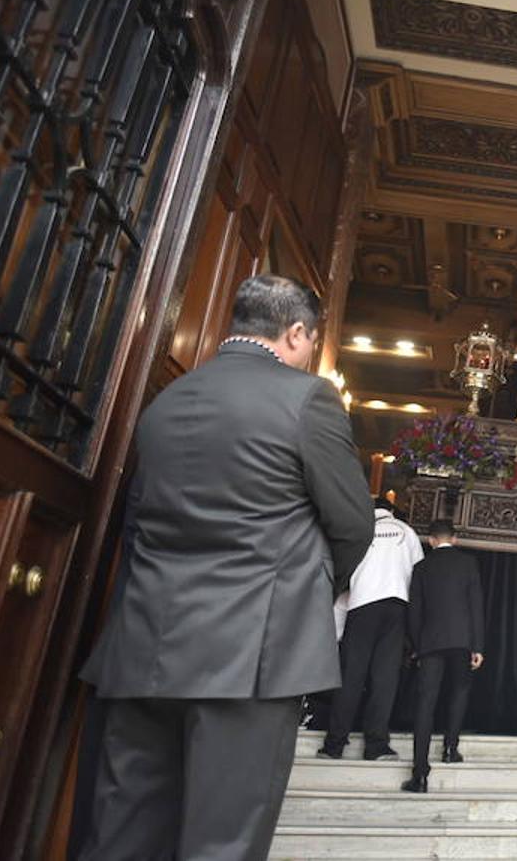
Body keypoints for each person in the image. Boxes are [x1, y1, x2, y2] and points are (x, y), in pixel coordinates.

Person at [77, 275, 374, 861]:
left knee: (122, 833)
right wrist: (314, 586)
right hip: (252, 655)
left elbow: (137, 518)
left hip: (145, 645)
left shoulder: (168, 400)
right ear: (296, 333)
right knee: (224, 840)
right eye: (311, 342)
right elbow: (352, 523)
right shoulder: (307, 399)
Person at [319, 496, 425, 760]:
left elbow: (342, 577)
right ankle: (375, 745)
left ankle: (334, 745)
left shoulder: (358, 532)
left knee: (350, 678)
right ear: (391, 511)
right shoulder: (407, 532)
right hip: (397, 606)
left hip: (361, 606)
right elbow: (418, 573)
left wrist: (336, 631)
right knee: (384, 680)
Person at [402, 520, 484, 794]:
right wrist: (478, 646)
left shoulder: (421, 568)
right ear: (455, 539)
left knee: (425, 704)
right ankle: (450, 748)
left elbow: (415, 612)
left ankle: (420, 774)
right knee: (459, 694)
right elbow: (476, 608)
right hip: (462, 641)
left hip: (431, 642)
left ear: (431, 540)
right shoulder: (468, 564)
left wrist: (416, 644)